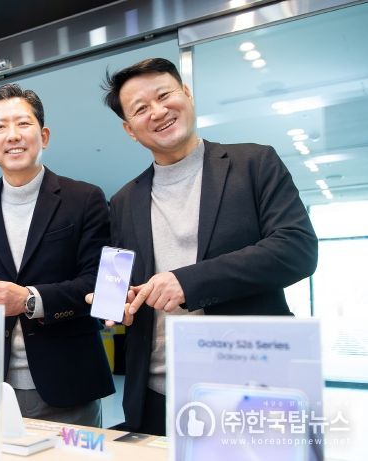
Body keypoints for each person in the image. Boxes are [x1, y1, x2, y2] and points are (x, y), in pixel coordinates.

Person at [98, 58, 318, 435]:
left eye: (164, 95)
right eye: (141, 108)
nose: (158, 112)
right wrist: (111, 304)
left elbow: (297, 249)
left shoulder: (254, 163)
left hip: (249, 388)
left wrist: (187, 282)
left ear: (187, 94)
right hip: (156, 394)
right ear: (129, 130)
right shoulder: (122, 201)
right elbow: (115, 287)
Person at [0, 84, 114, 427]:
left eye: (23, 123)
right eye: (0, 127)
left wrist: (29, 300)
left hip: (68, 381)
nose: (13, 135)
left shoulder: (84, 199)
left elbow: (98, 284)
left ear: (44, 136)